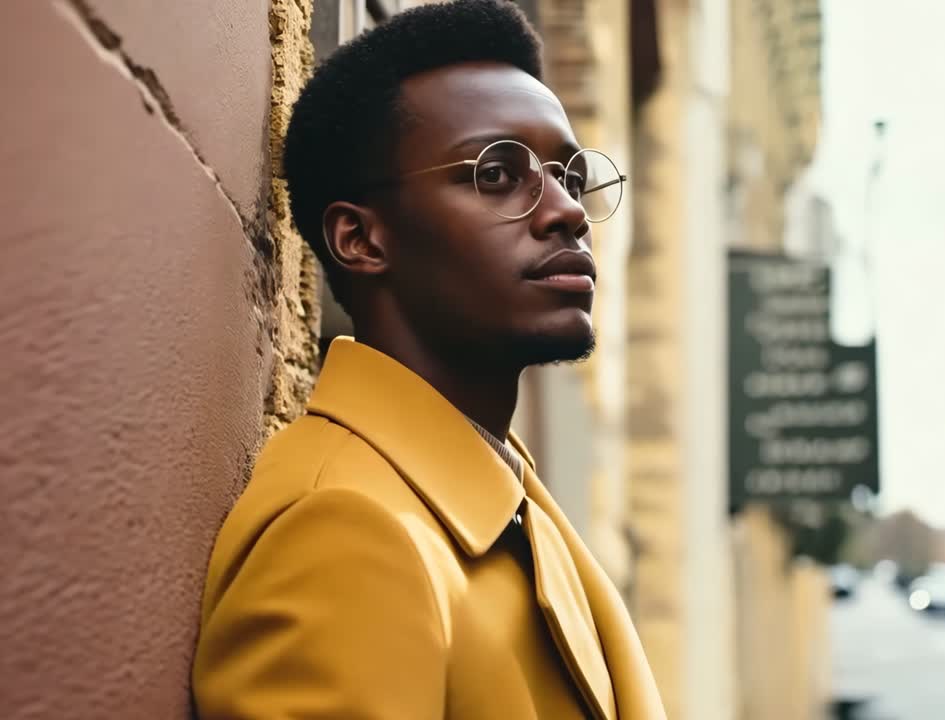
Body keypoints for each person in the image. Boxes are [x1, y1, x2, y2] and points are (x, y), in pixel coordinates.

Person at [191, 1, 664, 718]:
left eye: (568, 174)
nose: (565, 209)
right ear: (362, 240)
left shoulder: (507, 496)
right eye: (498, 175)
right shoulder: (345, 534)